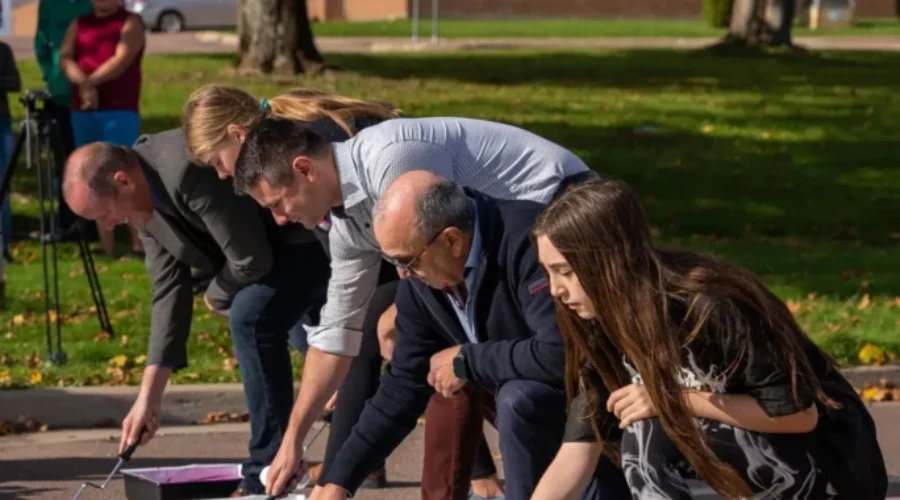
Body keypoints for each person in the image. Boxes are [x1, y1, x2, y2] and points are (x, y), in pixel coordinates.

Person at [231, 116, 594, 497]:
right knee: (455, 363)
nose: (280, 219)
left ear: (304, 169)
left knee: (522, 388)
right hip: (484, 257)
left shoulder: (395, 162)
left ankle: (493, 481)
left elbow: (557, 351)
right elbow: (350, 344)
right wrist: (319, 464)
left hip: (561, 205)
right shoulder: (374, 238)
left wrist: (464, 356)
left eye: (278, 203)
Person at [181, 85, 505, 500]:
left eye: (217, 162)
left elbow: (420, 249)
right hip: (436, 252)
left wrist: (399, 313)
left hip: (515, 235)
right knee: (406, 349)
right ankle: (347, 479)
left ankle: (348, 479)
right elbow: (337, 328)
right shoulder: (338, 210)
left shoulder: (346, 157)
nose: (221, 175)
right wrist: (293, 440)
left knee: (404, 342)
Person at [529, 178, 888, 500]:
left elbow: (799, 415)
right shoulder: (598, 320)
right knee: (639, 419)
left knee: (646, 421)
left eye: (565, 271)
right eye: (548, 273)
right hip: (743, 470)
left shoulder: (711, 305)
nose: (556, 290)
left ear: (609, 263)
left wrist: (671, 398)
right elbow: (577, 452)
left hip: (828, 468)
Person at [311, 172, 624, 500]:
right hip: (555, 415)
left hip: (598, 395)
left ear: (452, 240)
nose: (402, 274)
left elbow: (562, 351)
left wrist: (466, 360)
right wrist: (339, 481)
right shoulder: (421, 282)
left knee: (519, 397)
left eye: (407, 260)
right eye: (392, 260)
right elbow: (402, 386)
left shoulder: (525, 240)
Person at [60, 131, 330, 495]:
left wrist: (215, 297)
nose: (106, 225)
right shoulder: (140, 201)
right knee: (311, 344)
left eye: (104, 214)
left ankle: (266, 473)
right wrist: (148, 398)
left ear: (122, 180)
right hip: (264, 259)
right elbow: (168, 289)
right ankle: (355, 443)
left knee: (251, 319)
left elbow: (252, 258)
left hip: (302, 235)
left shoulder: (184, 169)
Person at [59, 0, 145, 256]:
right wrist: (83, 83)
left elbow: (122, 57)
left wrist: (91, 83)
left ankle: (139, 243)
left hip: (119, 107)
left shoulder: (130, 22)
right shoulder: (80, 22)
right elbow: (65, 57)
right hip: (84, 110)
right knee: (91, 173)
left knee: (125, 171)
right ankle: (105, 245)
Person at [33, 0, 92, 241]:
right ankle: (67, 220)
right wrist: (50, 74)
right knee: (64, 162)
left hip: (92, 92)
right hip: (60, 94)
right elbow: (41, 42)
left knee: (91, 162)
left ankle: (93, 221)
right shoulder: (49, 3)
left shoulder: (91, 3)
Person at [0, 39, 21, 264]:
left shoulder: (3, 50)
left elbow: (15, 82)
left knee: (2, 186)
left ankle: (3, 245)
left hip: (1, 123)